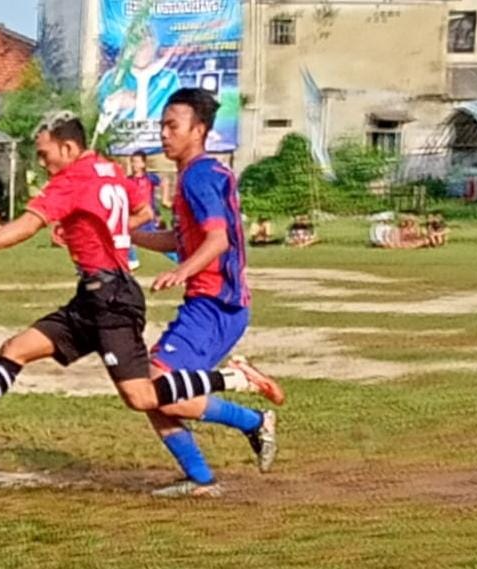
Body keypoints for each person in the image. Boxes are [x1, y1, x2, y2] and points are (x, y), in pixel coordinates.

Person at [0, 110, 283, 497]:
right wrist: (103, 233)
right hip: (94, 296)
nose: (42, 162)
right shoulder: (110, 170)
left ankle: (236, 385)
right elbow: (144, 211)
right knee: (17, 348)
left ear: (68, 147)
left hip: (112, 301)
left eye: (44, 153)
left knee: (145, 396)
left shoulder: (71, 181)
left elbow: (27, 226)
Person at [131, 88, 284, 497]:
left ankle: (253, 419)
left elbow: (216, 241)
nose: (163, 134)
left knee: (155, 388)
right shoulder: (198, 174)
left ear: (198, 130)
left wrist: (182, 272)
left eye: (172, 126)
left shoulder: (198, 176)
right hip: (213, 305)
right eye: (161, 125)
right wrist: (126, 236)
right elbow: (182, 240)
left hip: (216, 306)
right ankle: (200, 480)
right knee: (149, 392)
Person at [127, 150, 176, 269]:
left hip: (147, 216)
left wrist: (165, 199)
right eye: (133, 162)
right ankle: (132, 260)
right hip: (135, 215)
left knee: (157, 242)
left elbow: (164, 181)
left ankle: (180, 258)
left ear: (143, 164)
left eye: (137, 162)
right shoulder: (128, 180)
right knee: (127, 234)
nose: (135, 165)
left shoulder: (149, 178)